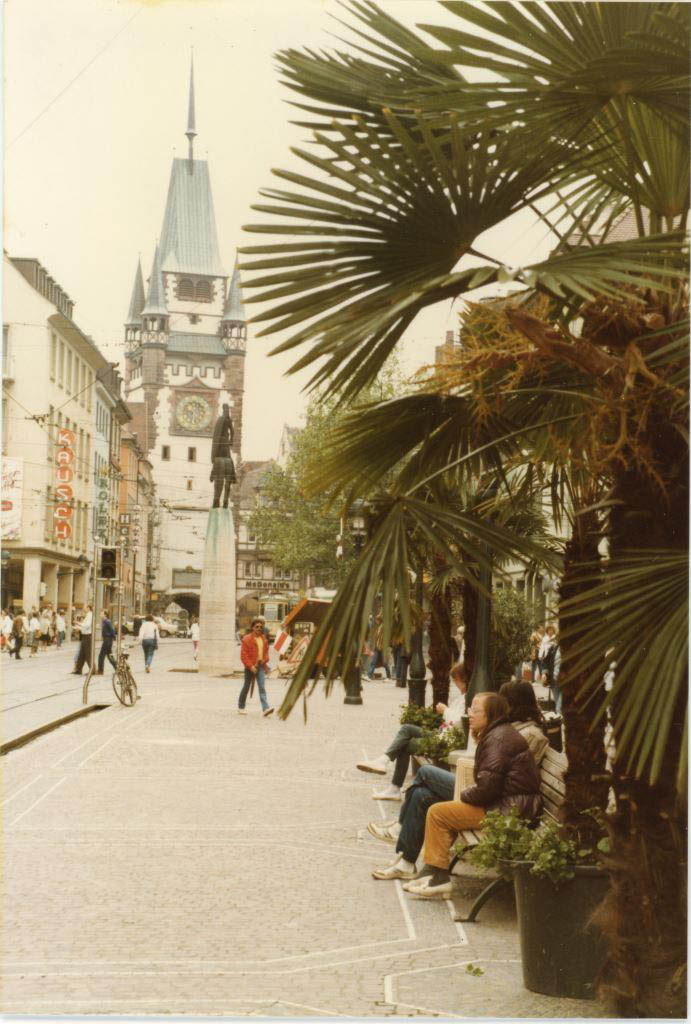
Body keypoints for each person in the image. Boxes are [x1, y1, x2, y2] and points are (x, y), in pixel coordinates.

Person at [370, 692, 541, 892]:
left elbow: (487, 789)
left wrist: (463, 793)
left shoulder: (498, 739)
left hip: (506, 810)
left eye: (475, 710)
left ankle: (438, 876)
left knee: (436, 806)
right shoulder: (496, 733)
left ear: (490, 714)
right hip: (502, 802)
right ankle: (412, 865)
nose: (470, 714)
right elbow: (489, 783)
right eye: (470, 709)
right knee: (422, 796)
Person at [357, 663, 468, 801]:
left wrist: (445, 710)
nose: (455, 684)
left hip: (446, 740)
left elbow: (460, 721)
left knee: (406, 745)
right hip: (442, 734)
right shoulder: (462, 697)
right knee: (407, 729)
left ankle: (393, 784)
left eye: (456, 680)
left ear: (463, 680)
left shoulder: (468, 698)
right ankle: (384, 761)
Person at [499, 680, 549, 765]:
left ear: (513, 703)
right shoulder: (511, 727)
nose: (499, 707)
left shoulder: (532, 736)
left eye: (503, 701)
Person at [238, 618, 274, 717]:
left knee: (262, 687)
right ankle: (241, 706)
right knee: (246, 686)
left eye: (261, 627)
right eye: (257, 626)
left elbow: (266, 654)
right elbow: (243, 656)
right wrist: (251, 666)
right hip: (250, 667)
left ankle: (265, 709)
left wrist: (264, 660)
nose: (259, 628)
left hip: (260, 666)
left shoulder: (264, 639)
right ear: (252, 628)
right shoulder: (246, 639)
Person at [541, 630, 562, 714]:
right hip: (554, 680)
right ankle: (560, 717)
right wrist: (544, 673)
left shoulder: (569, 649)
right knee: (558, 702)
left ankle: (559, 716)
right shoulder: (553, 648)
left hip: (564, 680)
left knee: (560, 705)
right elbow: (545, 661)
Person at [72, 605, 93, 675]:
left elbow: (87, 625)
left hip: (87, 636)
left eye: (85, 607)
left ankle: (92, 669)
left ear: (88, 608)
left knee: (87, 653)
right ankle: (78, 669)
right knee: (82, 654)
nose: (84, 609)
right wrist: (78, 627)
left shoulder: (90, 615)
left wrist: (78, 624)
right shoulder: (88, 615)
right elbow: (85, 626)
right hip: (85, 636)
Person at [96, 609, 118, 675]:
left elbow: (112, 630)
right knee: (109, 656)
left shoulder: (107, 621)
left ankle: (100, 671)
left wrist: (114, 638)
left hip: (107, 640)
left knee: (101, 656)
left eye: (101, 614)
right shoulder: (104, 622)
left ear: (105, 615)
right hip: (107, 640)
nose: (100, 615)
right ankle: (117, 668)